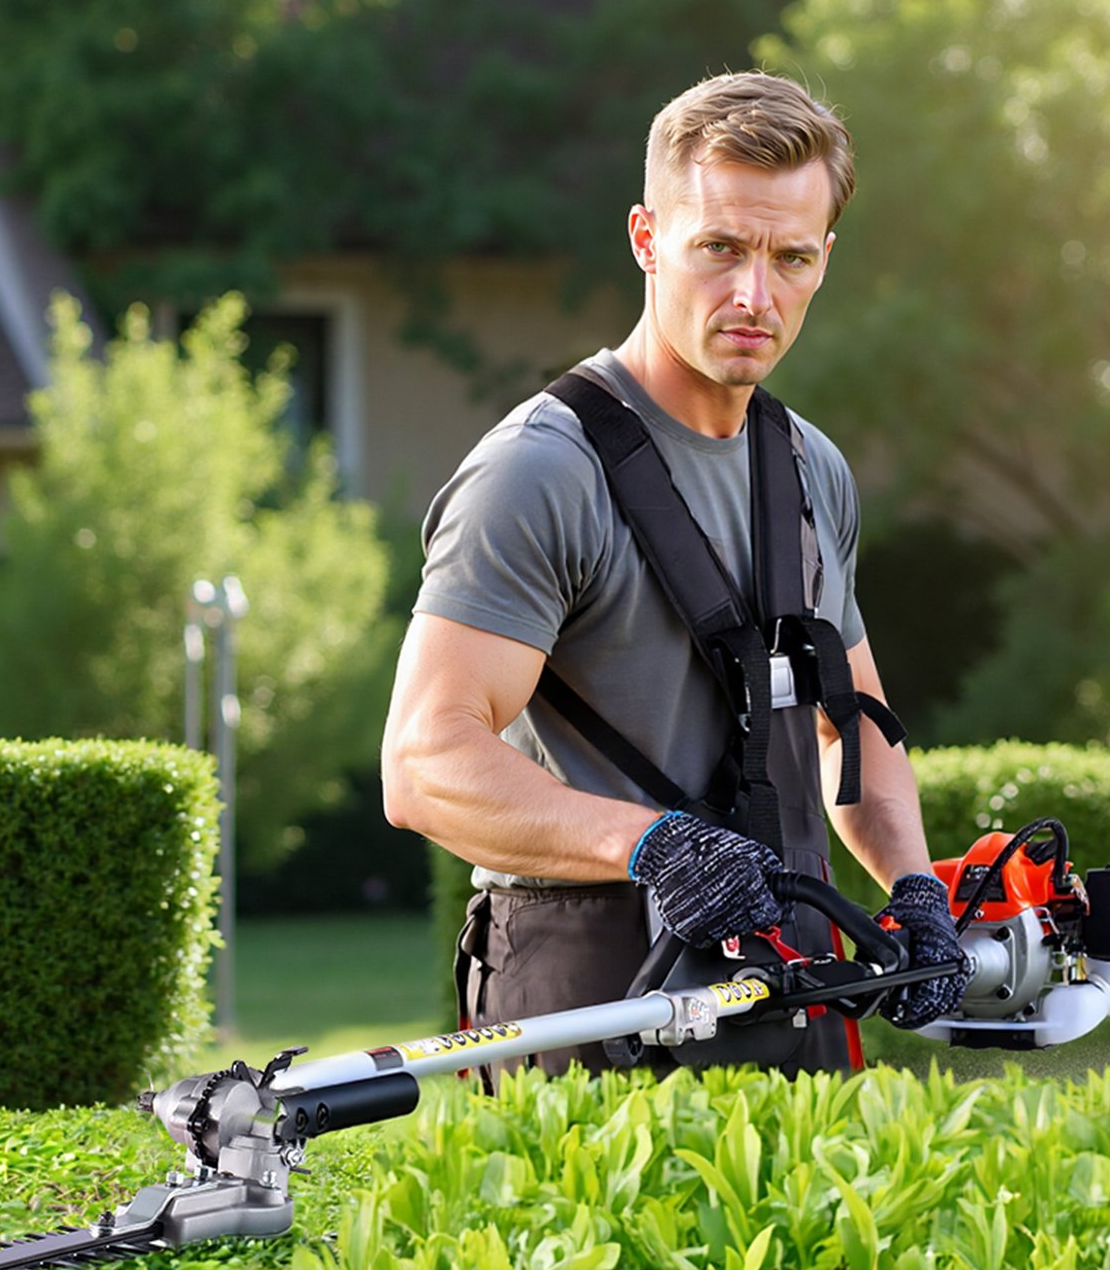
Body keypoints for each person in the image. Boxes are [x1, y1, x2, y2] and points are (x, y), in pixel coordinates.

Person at [380, 71, 971, 1080]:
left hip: (793, 983)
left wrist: (915, 887)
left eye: (790, 258)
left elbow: (854, 727)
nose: (754, 296)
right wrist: (652, 844)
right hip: (591, 992)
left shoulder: (808, 468)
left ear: (824, 259)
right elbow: (424, 764)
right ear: (647, 239)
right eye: (720, 248)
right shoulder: (540, 472)